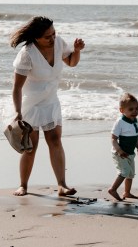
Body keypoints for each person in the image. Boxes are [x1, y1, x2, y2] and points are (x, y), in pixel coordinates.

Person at [10, 16, 85, 197]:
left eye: (54, 34)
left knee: (55, 140)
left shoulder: (58, 43)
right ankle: (23, 185)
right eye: (47, 36)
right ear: (36, 37)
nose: (52, 38)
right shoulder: (27, 54)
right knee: (31, 147)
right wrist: (18, 112)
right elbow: (17, 88)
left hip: (51, 100)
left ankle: (62, 185)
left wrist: (76, 50)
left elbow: (71, 62)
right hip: (31, 104)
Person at [108, 92, 138, 201]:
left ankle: (127, 192)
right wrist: (119, 150)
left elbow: (135, 136)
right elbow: (113, 138)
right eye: (131, 109)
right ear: (122, 110)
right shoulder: (120, 122)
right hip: (120, 153)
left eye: (136, 108)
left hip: (130, 153)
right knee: (124, 172)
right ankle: (113, 189)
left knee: (130, 174)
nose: (135, 111)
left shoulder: (135, 121)